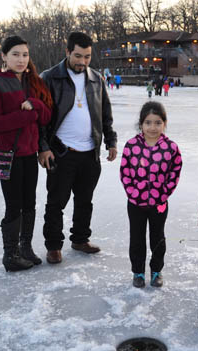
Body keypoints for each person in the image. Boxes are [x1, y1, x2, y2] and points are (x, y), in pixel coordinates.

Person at [38, 32, 117, 264]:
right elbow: (40, 120)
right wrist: (43, 148)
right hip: (61, 153)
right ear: (67, 52)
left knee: (85, 200)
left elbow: (105, 115)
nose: (82, 62)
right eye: (78, 56)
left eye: (87, 57)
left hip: (89, 153)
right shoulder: (50, 78)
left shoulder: (96, 79)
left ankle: (80, 239)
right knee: (56, 202)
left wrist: (110, 140)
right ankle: (53, 246)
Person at [0, 35, 52, 272]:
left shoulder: (32, 83)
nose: (21, 60)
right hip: (7, 156)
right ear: (4, 56)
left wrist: (36, 105)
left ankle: (26, 248)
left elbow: (45, 116)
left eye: (25, 55)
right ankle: (10, 255)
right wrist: (27, 115)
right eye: (15, 54)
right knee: (14, 205)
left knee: (29, 203)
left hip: (29, 154)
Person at [120, 101, 182, 288]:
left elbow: (175, 171)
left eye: (157, 122)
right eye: (148, 122)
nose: (152, 127)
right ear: (141, 124)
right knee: (137, 238)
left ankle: (156, 270)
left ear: (164, 123)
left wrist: (163, 194)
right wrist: (133, 193)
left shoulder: (171, 147)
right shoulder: (131, 146)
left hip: (159, 203)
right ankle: (137, 272)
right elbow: (125, 172)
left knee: (158, 237)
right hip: (135, 203)